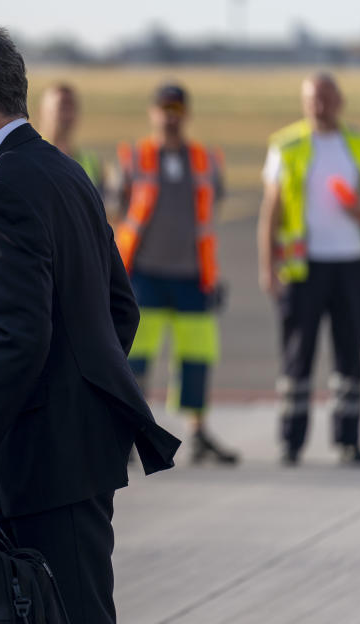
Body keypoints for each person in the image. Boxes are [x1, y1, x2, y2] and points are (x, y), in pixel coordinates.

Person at [0, 24, 180, 624]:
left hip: (42, 464)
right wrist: (81, 400)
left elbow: (19, 339)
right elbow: (120, 309)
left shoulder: (3, 187)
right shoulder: (61, 170)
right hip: (73, 454)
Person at [258, 72, 360, 467]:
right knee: (297, 356)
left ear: (341, 101)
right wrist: (268, 265)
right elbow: (271, 212)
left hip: (351, 263)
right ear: (304, 103)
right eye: (313, 98)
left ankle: (348, 441)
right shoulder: (287, 146)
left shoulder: (358, 143)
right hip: (304, 267)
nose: (319, 105)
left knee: (350, 353)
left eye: (326, 97)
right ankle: (291, 440)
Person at [116, 83, 238, 465]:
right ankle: (129, 434)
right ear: (152, 112)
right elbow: (115, 209)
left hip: (193, 274)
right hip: (144, 274)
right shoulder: (135, 157)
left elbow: (212, 205)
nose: (170, 116)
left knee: (197, 357)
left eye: (177, 108)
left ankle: (198, 433)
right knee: (134, 359)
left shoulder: (205, 159)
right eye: (164, 108)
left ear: (186, 113)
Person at [37, 83, 103, 193]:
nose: (67, 114)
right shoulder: (30, 154)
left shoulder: (91, 162)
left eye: (71, 107)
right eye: (61, 107)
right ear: (41, 112)